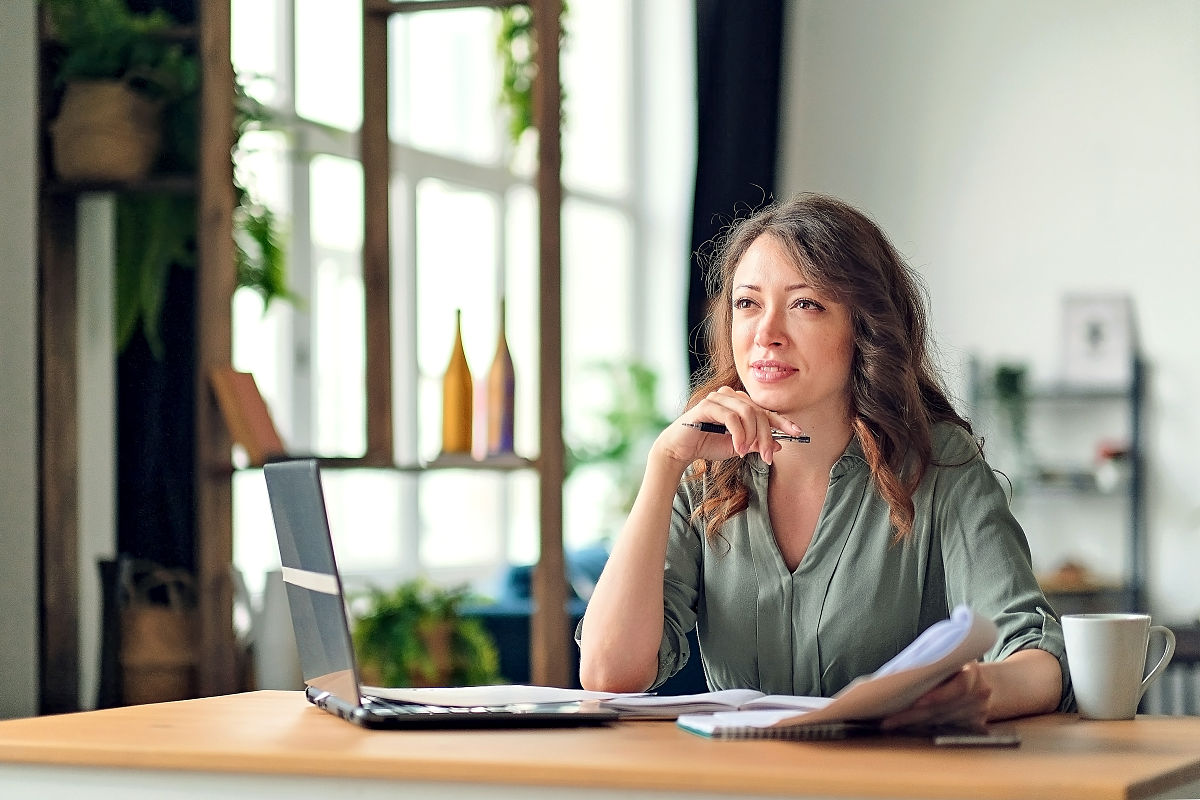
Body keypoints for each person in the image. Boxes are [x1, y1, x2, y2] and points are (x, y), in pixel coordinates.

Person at [577, 193, 1071, 730]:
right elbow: (608, 673)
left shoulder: (938, 462)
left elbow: (1036, 656)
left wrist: (976, 690)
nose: (766, 333)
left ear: (863, 327)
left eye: (805, 304)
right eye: (747, 304)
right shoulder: (700, 470)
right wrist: (663, 464)